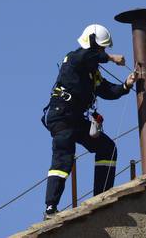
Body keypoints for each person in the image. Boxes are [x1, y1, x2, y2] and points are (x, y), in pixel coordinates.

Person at [41, 24, 138, 219]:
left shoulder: (93, 72)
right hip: (62, 116)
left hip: (76, 118)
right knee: (64, 158)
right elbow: (87, 55)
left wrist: (126, 85)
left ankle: (101, 197)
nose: (104, 52)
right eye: (102, 48)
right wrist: (111, 58)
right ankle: (50, 208)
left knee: (107, 147)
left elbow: (107, 90)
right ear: (92, 43)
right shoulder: (75, 58)